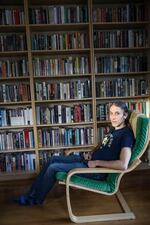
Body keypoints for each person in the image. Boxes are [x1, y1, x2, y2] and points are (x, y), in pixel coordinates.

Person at [14, 101, 134, 206]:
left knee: (53, 168)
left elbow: (123, 165)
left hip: (96, 171)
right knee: (52, 159)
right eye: (111, 113)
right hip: (88, 160)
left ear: (125, 115)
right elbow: (104, 145)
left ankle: (35, 199)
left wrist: (97, 162)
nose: (113, 117)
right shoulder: (114, 128)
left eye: (117, 113)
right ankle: (31, 193)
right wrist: (92, 152)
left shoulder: (126, 135)